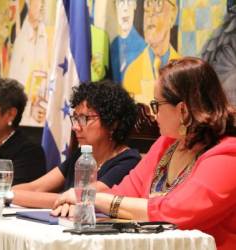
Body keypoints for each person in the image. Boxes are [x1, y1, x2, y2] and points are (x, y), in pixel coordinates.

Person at [52, 57, 236, 250]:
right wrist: (81, 205)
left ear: (183, 111)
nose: (153, 114)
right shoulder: (167, 143)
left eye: (156, 105)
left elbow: (173, 213)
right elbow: (123, 192)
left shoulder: (228, 155)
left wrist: (88, 197)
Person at [0, 80, 142, 208]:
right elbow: (36, 186)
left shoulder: (128, 162)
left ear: (113, 123)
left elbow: (78, 198)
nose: (75, 127)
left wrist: (5, 195)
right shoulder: (81, 156)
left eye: (84, 119)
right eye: (75, 118)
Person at [123, 0, 180, 104]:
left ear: (173, 14)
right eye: (147, 8)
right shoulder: (132, 72)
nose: (150, 15)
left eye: (158, 6)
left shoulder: (183, 69)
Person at [111, 0, 146, 82]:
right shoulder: (113, 44)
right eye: (121, 3)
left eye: (129, 2)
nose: (125, 8)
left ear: (135, 6)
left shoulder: (142, 46)